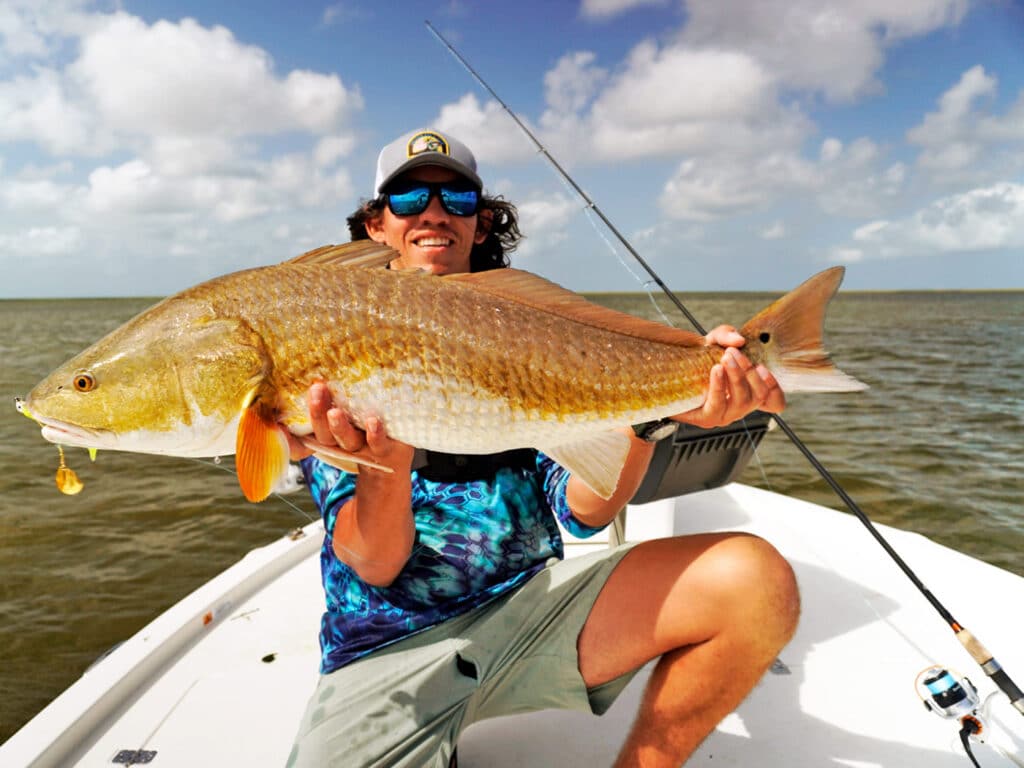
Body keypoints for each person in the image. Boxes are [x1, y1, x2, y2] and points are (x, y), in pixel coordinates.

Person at [286, 129, 797, 768]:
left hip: (533, 611)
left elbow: (585, 510)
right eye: (410, 196)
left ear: (482, 221)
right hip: (388, 649)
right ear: (375, 224)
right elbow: (374, 564)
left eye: (458, 199)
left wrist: (651, 415)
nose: (434, 213)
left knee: (753, 581)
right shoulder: (323, 335)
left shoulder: (533, 331)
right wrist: (383, 466)